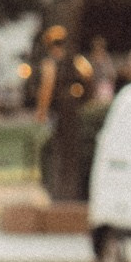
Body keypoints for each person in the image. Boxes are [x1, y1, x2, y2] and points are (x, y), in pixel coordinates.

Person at [33, 26, 95, 203]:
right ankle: (72, 191)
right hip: (75, 110)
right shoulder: (78, 60)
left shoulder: (50, 62)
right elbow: (89, 79)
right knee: (72, 152)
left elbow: (47, 87)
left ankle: (59, 192)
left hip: (60, 111)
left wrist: (41, 111)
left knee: (58, 152)